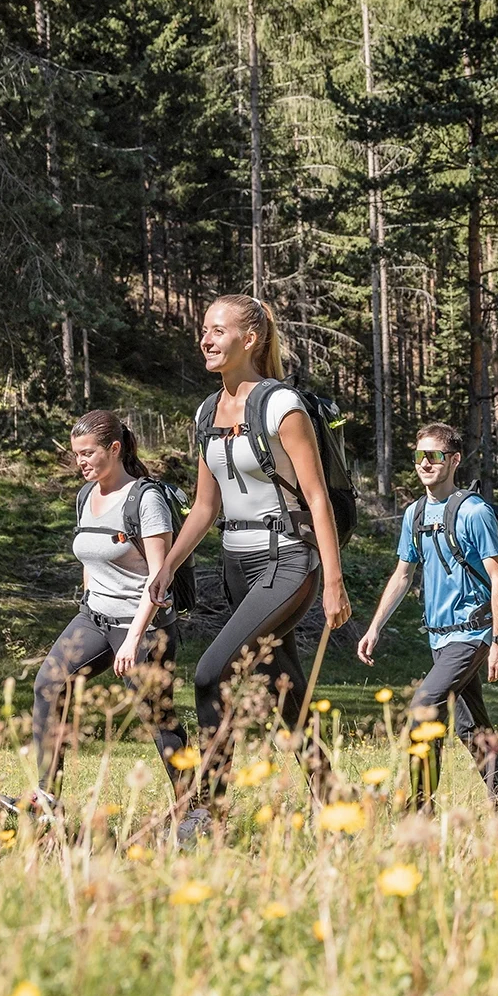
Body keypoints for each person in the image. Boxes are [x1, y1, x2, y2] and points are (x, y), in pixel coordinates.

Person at [148, 295, 351, 838]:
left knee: (210, 673)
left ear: (251, 338)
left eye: (217, 329)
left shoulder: (281, 405)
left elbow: (316, 497)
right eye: (203, 330)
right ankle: (334, 799)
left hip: (289, 560)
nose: (206, 339)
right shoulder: (206, 413)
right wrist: (167, 566)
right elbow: (204, 508)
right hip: (236, 564)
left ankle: (206, 813)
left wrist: (333, 581)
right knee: (283, 687)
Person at [0, 410, 185, 817]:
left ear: (114, 449)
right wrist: (87, 606)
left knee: (157, 717)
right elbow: (90, 557)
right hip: (95, 618)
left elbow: (160, 578)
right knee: (49, 684)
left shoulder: (145, 499)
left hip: (144, 624)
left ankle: (196, 808)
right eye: (76, 454)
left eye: (88, 453)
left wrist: (134, 639)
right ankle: (47, 798)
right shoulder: (86, 496)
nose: (79, 462)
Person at [357, 422, 498, 808]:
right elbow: (402, 574)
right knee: (470, 724)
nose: (425, 463)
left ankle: (421, 805)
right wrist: (375, 626)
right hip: (439, 638)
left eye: (435, 455)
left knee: (423, 704)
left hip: (473, 632)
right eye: (420, 456)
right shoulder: (415, 513)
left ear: (454, 460)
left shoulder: (474, 512)